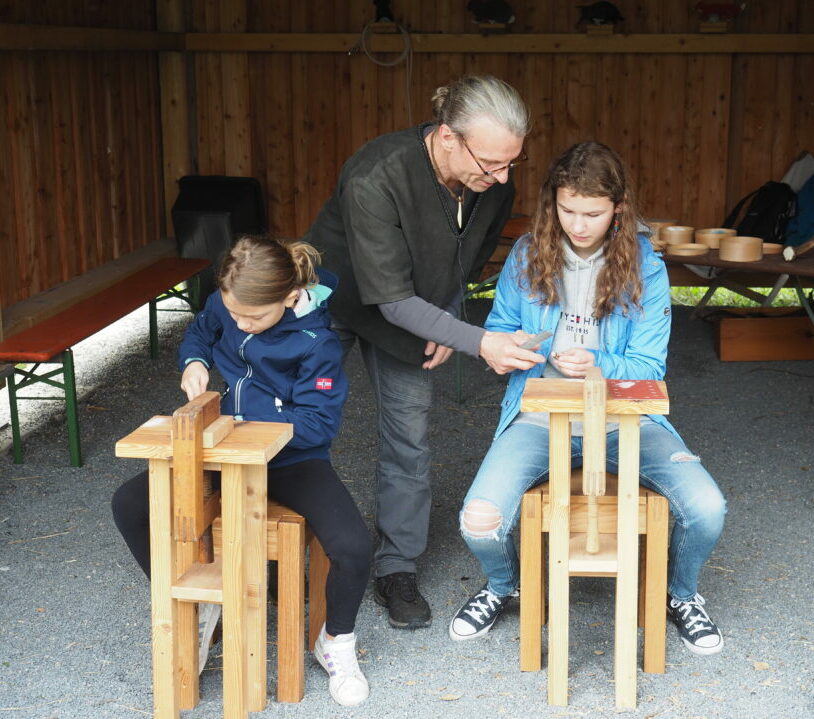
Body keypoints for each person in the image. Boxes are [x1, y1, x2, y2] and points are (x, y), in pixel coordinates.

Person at [449, 141, 727, 657]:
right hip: (540, 414)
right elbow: (499, 330)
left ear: (617, 208)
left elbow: (649, 369)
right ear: (552, 202)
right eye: (567, 210)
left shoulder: (646, 267)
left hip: (624, 417)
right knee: (478, 520)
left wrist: (599, 365)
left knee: (708, 508)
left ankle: (679, 595)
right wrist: (516, 349)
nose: (577, 224)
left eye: (592, 213)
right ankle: (504, 586)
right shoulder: (527, 254)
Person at [305, 75, 545, 629]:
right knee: (298, 424)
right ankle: (280, 550)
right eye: (490, 163)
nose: (503, 177)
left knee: (408, 438)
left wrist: (450, 315)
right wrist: (479, 340)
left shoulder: (492, 181)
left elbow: (469, 258)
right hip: (335, 303)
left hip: (413, 310)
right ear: (446, 137)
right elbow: (388, 297)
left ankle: (396, 568)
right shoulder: (377, 174)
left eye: (512, 162)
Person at [111, 235, 372, 707]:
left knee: (353, 547)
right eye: (234, 315)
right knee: (130, 503)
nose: (239, 323)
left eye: (253, 318)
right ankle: (204, 605)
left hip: (290, 459)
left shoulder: (318, 342)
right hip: (221, 453)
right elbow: (200, 332)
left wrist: (246, 425)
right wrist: (193, 362)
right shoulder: (227, 303)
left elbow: (317, 423)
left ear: (290, 297)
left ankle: (337, 642)